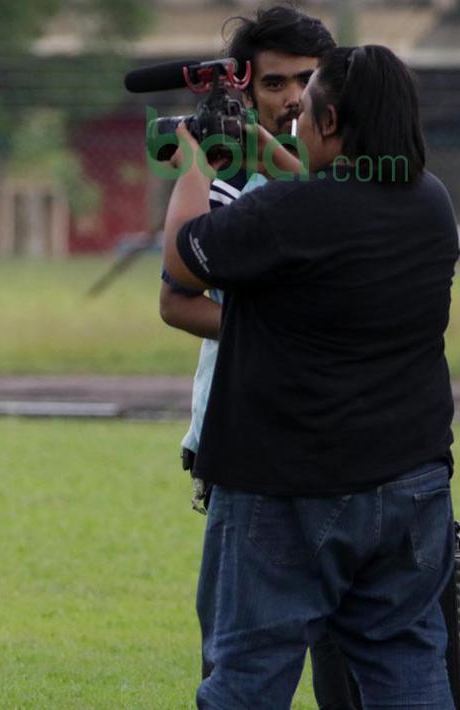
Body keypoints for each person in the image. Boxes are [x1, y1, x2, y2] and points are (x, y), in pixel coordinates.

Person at [163, 44, 458, 708]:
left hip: (287, 485)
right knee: (407, 663)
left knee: (248, 674)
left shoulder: (290, 213)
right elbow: (334, 203)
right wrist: (268, 152)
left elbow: (182, 263)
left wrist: (193, 164)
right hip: (410, 482)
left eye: (306, 108)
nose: (293, 118)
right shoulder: (431, 203)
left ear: (329, 123)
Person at [157, 7, 370, 708]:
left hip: (349, 450)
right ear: (246, 92)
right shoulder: (223, 186)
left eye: (306, 81)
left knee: (352, 662)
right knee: (238, 659)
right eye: (274, 84)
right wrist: (282, 332)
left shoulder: (362, 179)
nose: (292, 99)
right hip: (246, 443)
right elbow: (177, 300)